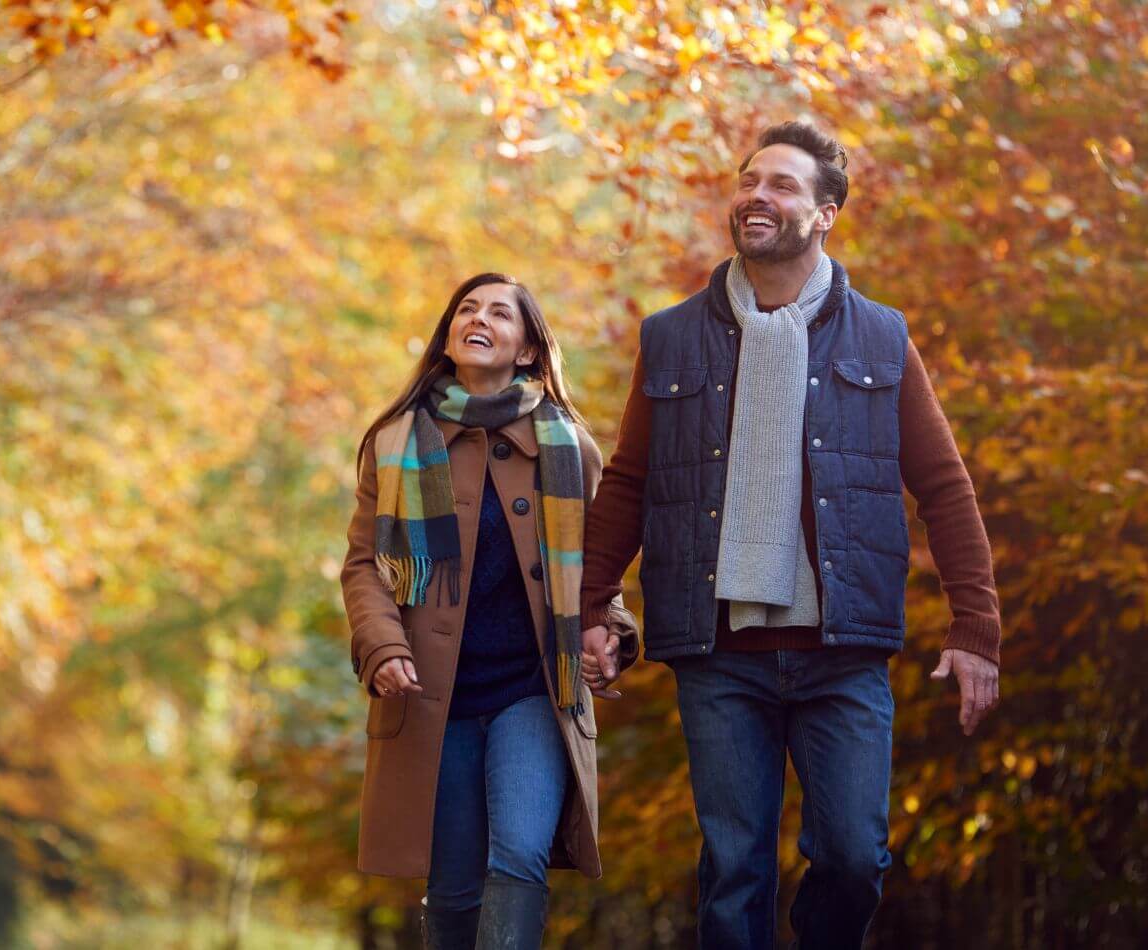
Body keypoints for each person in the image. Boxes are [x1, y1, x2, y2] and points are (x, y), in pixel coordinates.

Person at [579, 121, 1003, 949]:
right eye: (747, 182)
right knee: (734, 871)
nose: (755, 198)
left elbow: (944, 486)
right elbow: (631, 481)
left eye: (780, 185)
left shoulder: (882, 336)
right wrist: (592, 604)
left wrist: (976, 625)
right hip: (719, 651)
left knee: (852, 859)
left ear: (825, 213)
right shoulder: (671, 336)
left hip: (841, 651)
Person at [342, 273, 638, 949]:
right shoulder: (394, 444)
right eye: (467, 309)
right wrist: (383, 646)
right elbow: (364, 566)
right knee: (453, 887)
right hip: (433, 696)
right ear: (449, 336)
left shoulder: (570, 448)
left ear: (529, 348)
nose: (479, 319)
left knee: (519, 858)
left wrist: (611, 635)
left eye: (500, 313)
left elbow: (597, 577)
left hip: (534, 688)